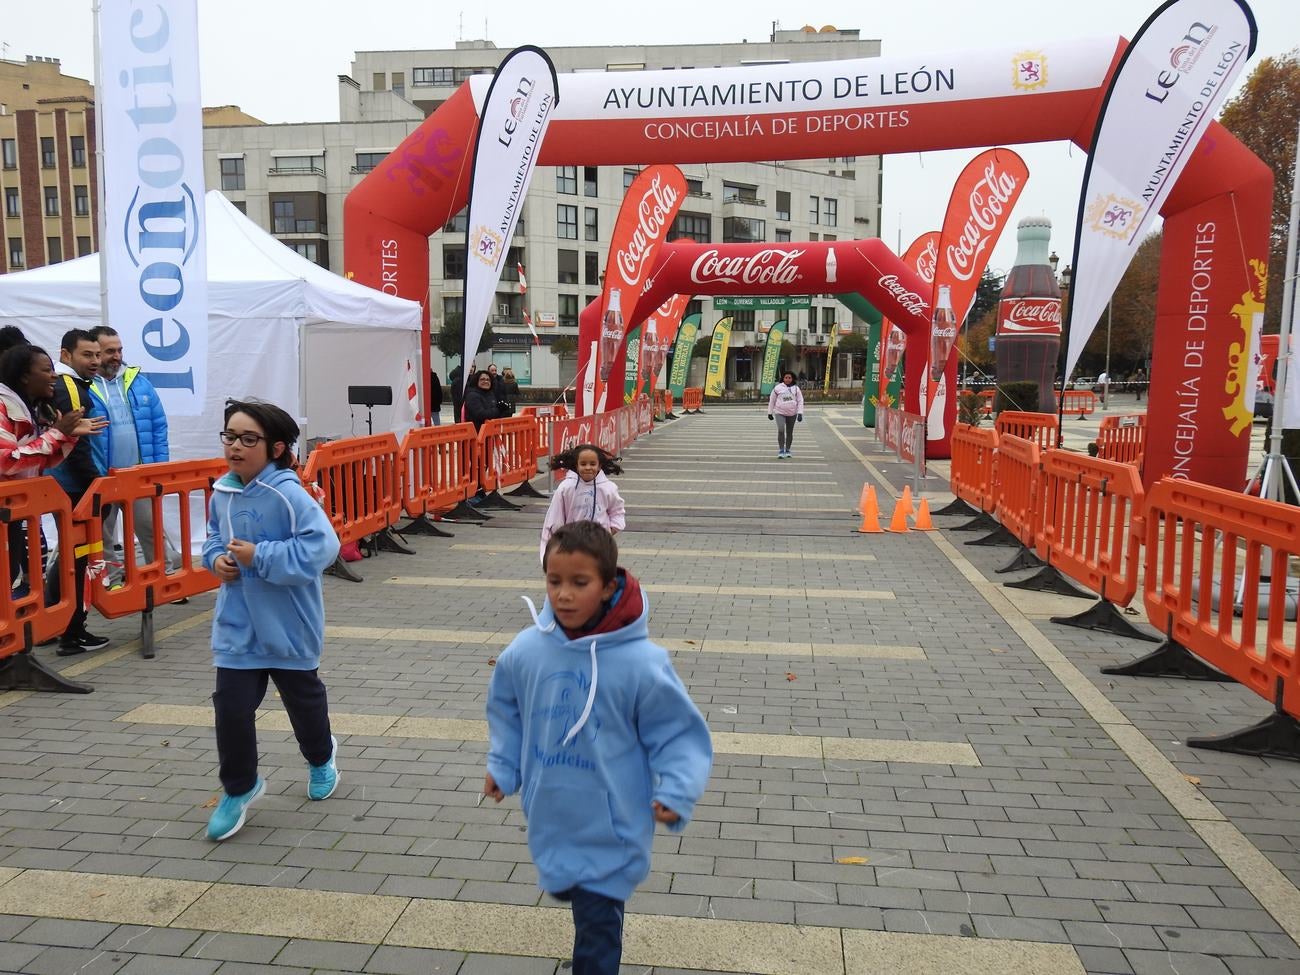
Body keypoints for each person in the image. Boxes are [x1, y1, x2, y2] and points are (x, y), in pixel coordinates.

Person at [484, 521, 712, 975]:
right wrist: (504, 765)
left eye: (579, 583)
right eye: (554, 582)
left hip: (613, 825)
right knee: (570, 891)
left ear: (608, 587)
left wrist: (676, 791)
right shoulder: (527, 651)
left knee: (597, 926)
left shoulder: (641, 664)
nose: (563, 595)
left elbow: (677, 734)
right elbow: (507, 708)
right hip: (552, 814)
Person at [202, 399, 341, 842]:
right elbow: (211, 540)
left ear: (276, 447)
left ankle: (321, 757)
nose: (236, 447)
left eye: (248, 439)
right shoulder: (221, 492)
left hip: (288, 624)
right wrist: (216, 561)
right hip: (238, 626)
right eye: (230, 437)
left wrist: (260, 556)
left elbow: (323, 548)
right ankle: (239, 787)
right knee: (231, 708)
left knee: (304, 704)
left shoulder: (289, 493)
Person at [1, 344, 103, 595]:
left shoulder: (28, 407)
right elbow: (7, 461)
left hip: (18, 512)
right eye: (46, 370)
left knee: (21, 575)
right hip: (7, 512)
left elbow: (41, 461)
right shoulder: (3, 406)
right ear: (25, 375)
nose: (54, 375)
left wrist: (67, 436)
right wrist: (58, 433)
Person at [87, 325, 180, 585]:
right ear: (95, 353)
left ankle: (164, 577)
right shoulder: (83, 385)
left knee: (149, 527)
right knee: (102, 534)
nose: (116, 356)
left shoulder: (138, 381)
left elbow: (158, 425)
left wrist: (158, 468)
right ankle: (113, 582)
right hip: (102, 475)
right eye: (109, 351)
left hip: (138, 473)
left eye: (119, 350)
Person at [48, 329, 110, 655]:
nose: (96, 362)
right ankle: (70, 634)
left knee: (72, 559)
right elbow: (76, 444)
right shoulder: (70, 387)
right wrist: (96, 486)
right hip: (77, 491)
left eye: (97, 355)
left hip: (73, 488)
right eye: (88, 355)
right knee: (78, 562)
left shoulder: (72, 385)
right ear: (66, 354)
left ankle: (63, 628)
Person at [539, 444, 625, 563]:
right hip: (571, 547)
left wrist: (609, 532)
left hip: (600, 547)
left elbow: (617, 512)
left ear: (599, 466)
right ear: (576, 465)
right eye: (583, 464)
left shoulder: (609, 488)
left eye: (592, 464)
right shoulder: (566, 488)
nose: (588, 468)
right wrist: (552, 548)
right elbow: (554, 519)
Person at [767, 370, 804, 459]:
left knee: (789, 432)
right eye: (786, 378)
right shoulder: (777, 388)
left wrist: (800, 413)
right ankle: (781, 450)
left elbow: (800, 401)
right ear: (783, 378)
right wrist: (770, 412)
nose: (787, 379)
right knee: (781, 429)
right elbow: (772, 400)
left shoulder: (796, 388)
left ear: (792, 379)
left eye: (789, 378)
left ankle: (787, 449)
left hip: (792, 413)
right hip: (780, 412)